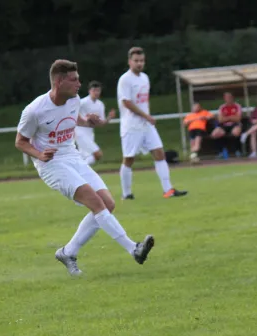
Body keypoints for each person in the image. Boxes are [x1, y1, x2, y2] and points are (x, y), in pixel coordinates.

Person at [14, 59, 155, 276]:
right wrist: (40, 154)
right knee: (96, 202)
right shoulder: (34, 110)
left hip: (73, 156)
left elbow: (72, 119)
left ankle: (67, 252)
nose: (79, 84)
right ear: (59, 82)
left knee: (108, 204)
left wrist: (87, 121)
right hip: (51, 165)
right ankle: (133, 249)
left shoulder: (74, 100)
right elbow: (20, 141)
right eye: (74, 80)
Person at [117, 47, 188, 199]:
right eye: (136, 61)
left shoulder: (145, 78)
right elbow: (126, 102)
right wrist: (146, 116)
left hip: (146, 125)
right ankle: (126, 193)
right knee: (129, 159)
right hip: (131, 126)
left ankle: (168, 190)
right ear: (130, 62)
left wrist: (147, 117)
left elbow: (143, 102)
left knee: (159, 153)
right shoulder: (125, 79)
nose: (139, 64)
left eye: (141, 61)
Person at [76, 81, 116, 165]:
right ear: (89, 91)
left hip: (90, 134)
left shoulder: (100, 105)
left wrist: (109, 118)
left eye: (98, 90)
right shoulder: (83, 102)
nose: (96, 92)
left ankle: (79, 173)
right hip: (79, 132)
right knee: (98, 154)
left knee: (85, 158)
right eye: (94, 90)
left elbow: (101, 123)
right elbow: (72, 113)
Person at [211, 92, 243, 158]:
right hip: (224, 126)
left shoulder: (237, 106)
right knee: (215, 133)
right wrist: (231, 117)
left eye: (230, 97)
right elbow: (220, 120)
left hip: (235, 125)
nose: (228, 99)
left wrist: (226, 118)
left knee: (236, 132)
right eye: (227, 97)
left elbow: (238, 119)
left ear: (232, 98)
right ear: (224, 98)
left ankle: (237, 151)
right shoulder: (222, 107)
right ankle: (220, 152)